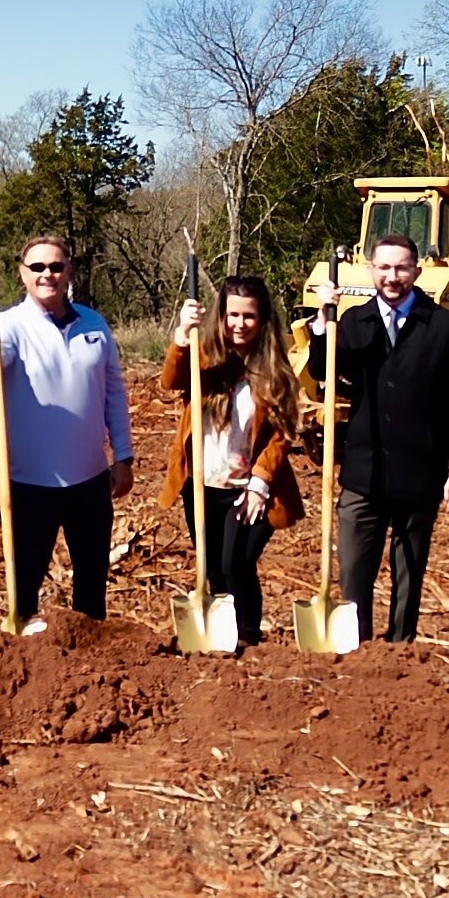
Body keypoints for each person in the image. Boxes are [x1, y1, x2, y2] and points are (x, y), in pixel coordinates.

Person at [310, 235, 449, 643]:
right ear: (371, 270)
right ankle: (357, 649)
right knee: (354, 575)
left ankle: (400, 651)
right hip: (363, 475)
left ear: (416, 272)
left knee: (409, 576)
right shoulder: (353, 322)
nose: (392, 276)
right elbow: (323, 371)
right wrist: (322, 321)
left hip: (419, 473)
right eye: (384, 268)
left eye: (401, 268)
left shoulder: (443, 328)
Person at [0, 237, 134, 622]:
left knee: (91, 587)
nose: (47, 275)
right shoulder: (6, 326)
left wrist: (123, 456)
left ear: (68, 271)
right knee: (24, 587)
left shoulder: (94, 323)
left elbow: (114, 393)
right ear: (22, 274)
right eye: (37, 268)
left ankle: (89, 659)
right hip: (29, 485)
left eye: (56, 267)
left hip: (90, 482)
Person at [158, 275, 304, 642]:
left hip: (252, 487)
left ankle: (249, 635)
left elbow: (283, 433)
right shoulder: (202, 357)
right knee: (213, 569)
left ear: (262, 319)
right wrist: (181, 333)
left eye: (248, 316)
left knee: (236, 562)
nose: (239, 324)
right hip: (204, 484)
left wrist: (260, 481)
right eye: (232, 315)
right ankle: (224, 638)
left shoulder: (273, 368)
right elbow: (171, 379)